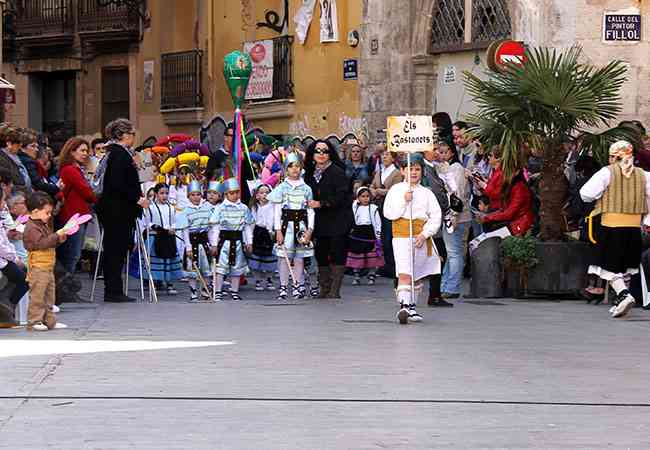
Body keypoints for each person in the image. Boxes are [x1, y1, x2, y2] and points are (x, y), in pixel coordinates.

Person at [580, 141, 650, 318]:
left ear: (614, 156)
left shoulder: (607, 172)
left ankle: (624, 295)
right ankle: (622, 299)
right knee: (625, 265)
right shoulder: (644, 175)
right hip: (634, 227)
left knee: (606, 266)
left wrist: (602, 195)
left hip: (611, 226)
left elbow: (586, 194)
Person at [383, 154, 442, 324]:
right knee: (404, 271)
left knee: (416, 273)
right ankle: (404, 305)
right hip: (401, 236)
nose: (414, 172)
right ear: (402, 171)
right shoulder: (396, 190)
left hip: (419, 236)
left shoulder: (427, 193)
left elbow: (435, 216)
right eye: (410, 169)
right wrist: (404, 201)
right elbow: (389, 213)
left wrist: (425, 234)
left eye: (417, 169)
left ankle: (413, 306)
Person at [96, 118, 148, 303]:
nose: (134, 137)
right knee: (115, 250)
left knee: (116, 249)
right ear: (123, 135)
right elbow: (118, 184)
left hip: (116, 210)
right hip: (117, 211)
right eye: (132, 134)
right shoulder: (119, 154)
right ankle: (113, 290)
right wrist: (137, 198)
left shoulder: (118, 153)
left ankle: (114, 289)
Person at [304, 139, 352, 299]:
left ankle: (334, 289)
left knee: (338, 252)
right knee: (320, 253)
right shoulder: (309, 173)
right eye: (318, 151)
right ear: (312, 153)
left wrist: (321, 203)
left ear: (330, 153)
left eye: (325, 151)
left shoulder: (337, 171)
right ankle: (324, 287)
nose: (321, 154)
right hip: (319, 221)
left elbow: (342, 196)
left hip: (338, 219)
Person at [269, 153, 315, 300]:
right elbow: (277, 211)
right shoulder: (281, 188)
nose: (294, 169)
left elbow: (310, 211)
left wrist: (310, 230)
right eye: (291, 166)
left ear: (301, 168)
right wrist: (277, 230)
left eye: (297, 166)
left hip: (301, 226)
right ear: (286, 170)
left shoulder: (306, 188)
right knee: (284, 257)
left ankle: (297, 286)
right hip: (285, 227)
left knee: (300, 257)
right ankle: (283, 287)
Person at [23, 192, 68, 331]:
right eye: (47, 213)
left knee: (49, 295)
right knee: (37, 295)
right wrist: (56, 236)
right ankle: (34, 321)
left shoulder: (43, 224)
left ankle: (50, 321)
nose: (49, 216)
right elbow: (40, 243)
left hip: (48, 266)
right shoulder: (31, 227)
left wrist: (59, 239)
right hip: (37, 267)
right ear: (35, 211)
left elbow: (49, 242)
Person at [208, 178, 254, 301]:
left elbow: (247, 226)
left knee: (237, 268)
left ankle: (234, 291)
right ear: (226, 194)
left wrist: (249, 242)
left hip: (238, 241)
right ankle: (217, 291)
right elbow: (215, 227)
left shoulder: (243, 208)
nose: (235, 195)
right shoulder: (220, 208)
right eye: (232, 193)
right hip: (224, 242)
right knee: (220, 267)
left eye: (237, 192)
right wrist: (214, 244)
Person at [56, 138, 96, 276]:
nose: (86, 154)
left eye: (87, 151)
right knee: (72, 254)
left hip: (75, 217)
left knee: (73, 254)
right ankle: (66, 288)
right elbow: (87, 192)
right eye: (82, 150)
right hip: (72, 217)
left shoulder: (75, 169)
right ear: (72, 152)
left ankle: (67, 287)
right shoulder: (71, 170)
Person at [437, 143, 471, 299]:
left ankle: (452, 287)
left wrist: (455, 216)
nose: (441, 155)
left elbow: (457, 195)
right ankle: (446, 285)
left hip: (457, 216)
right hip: (450, 215)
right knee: (452, 252)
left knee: (454, 252)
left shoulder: (456, 169)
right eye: (439, 152)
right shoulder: (445, 168)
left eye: (444, 152)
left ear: (451, 153)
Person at [421, 147, 453, 307]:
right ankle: (431, 294)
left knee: (439, 256)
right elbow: (435, 192)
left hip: (437, 218)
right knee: (438, 255)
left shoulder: (435, 167)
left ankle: (435, 294)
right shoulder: (424, 169)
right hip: (427, 220)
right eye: (434, 149)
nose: (437, 153)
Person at [176, 180, 213, 301]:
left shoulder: (207, 207)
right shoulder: (185, 210)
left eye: (198, 194)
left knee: (206, 267)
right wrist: (188, 247)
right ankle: (193, 292)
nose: (196, 197)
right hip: (192, 241)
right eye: (193, 195)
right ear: (188, 196)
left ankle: (205, 290)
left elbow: (211, 228)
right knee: (192, 268)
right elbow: (185, 230)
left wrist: (213, 244)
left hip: (204, 241)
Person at [369, 148, 403, 278]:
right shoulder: (379, 171)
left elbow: (395, 189)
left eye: (387, 155)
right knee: (381, 235)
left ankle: (393, 266)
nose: (384, 157)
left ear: (393, 158)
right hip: (379, 205)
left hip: (391, 205)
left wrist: (379, 191)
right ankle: (383, 265)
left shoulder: (396, 173)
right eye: (383, 155)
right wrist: (374, 190)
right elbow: (372, 185)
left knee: (390, 236)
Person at [145, 183, 182, 295]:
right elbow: (147, 222)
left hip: (169, 237)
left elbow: (175, 221)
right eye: (161, 193)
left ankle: (169, 283)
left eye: (166, 193)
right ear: (156, 194)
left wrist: (173, 228)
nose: (164, 196)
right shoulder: (151, 208)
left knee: (169, 259)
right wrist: (155, 227)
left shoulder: (171, 208)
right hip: (156, 237)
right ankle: (155, 283)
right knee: (157, 260)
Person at [0, 189, 29, 328]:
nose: (4, 204)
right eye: (3, 200)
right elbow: (2, 245)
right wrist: (14, 258)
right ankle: (5, 306)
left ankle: (6, 309)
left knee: (24, 275)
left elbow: (4, 240)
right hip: (3, 260)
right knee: (25, 279)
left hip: (6, 258)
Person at [346, 186, 383, 285]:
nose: (365, 198)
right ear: (358, 198)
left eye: (367, 196)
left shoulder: (374, 208)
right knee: (357, 255)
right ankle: (357, 275)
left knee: (372, 257)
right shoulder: (355, 207)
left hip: (370, 233)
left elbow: (378, 223)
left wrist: (378, 237)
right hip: (358, 234)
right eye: (362, 196)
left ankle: (371, 275)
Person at [248, 184, 277, 293]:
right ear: (257, 196)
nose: (264, 194)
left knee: (270, 258)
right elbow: (251, 223)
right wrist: (249, 239)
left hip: (270, 233)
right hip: (258, 233)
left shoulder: (274, 206)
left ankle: (270, 278)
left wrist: (274, 231)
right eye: (261, 192)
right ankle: (257, 279)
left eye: (267, 192)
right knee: (256, 259)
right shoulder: (254, 207)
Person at [18, 132, 59, 196]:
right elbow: (38, 184)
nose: (36, 149)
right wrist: (56, 187)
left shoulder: (28, 160)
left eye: (37, 146)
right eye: (33, 146)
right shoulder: (28, 162)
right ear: (22, 147)